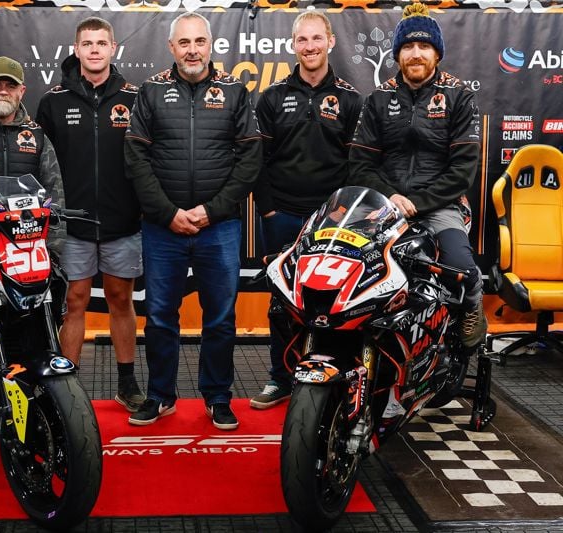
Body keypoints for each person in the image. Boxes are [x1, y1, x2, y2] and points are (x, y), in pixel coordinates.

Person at [124, 12, 262, 430]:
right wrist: (168, 214)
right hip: (161, 228)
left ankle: (218, 397)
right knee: (160, 316)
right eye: (184, 43)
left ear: (211, 45)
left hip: (219, 227)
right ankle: (160, 395)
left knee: (220, 318)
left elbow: (250, 159)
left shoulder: (234, 91)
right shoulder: (150, 91)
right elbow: (135, 158)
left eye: (199, 42)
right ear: (171, 47)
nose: (192, 50)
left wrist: (211, 210)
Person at [348, 3, 487, 348]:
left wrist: (418, 202)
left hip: (441, 206)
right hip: (383, 205)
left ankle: (472, 307)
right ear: (397, 54)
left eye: (424, 46)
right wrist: (392, 197)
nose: (415, 54)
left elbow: (463, 170)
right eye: (408, 46)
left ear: (437, 53)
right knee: (350, 269)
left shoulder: (459, 96)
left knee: (461, 270)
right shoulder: (378, 98)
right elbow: (360, 164)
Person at [250, 12, 363, 410]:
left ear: (330, 41)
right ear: (293, 45)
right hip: (281, 216)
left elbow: (358, 164)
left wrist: (343, 213)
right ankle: (280, 379)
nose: (310, 46)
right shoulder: (272, 97)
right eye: (302, 39)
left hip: (333, 221)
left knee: (335, 301)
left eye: (317, 38)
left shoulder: (351, 99)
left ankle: (334, 379)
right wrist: (268, 211)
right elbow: (257, 159)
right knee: (283, 303)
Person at [36, 17, 145, 412]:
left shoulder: (135, 97)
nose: (95, 49)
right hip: (72, 225)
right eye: (88, 43)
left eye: (102, 43)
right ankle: (70, 390)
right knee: (75, 302)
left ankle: (128, 383)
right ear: (76, 49)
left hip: (123, 221)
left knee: (121, 299)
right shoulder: (53, 101)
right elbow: (39, 164)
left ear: (114, 48)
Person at [0, 55, 66, 254]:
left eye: (11, 86)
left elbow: (54, 191)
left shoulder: (36, 134)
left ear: (22, 91)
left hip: (27, 243)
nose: (3, 91)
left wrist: (54, 248)